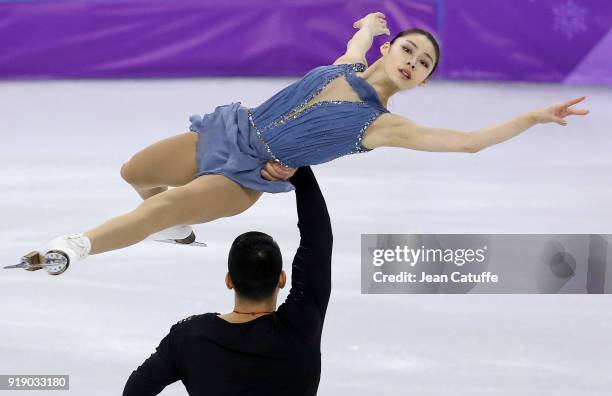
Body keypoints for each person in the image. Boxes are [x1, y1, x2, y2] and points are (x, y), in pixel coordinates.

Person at [18, 12, 589, 274]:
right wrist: (369, 25)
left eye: (424, 63)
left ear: (425, 80)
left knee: (161, 203)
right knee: (134, 173)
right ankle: (178, 229)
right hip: (227, 129)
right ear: (391, 53)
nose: (413, 61)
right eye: (409, 50)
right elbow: (357, 39)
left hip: (246, 175)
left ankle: (75, 246)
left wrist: (532, 117)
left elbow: (467, 143)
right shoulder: (347, 65)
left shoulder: (383, 125)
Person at [122, 166, 333, 395]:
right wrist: (298, 168)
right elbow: (318, 241)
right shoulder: (299, 326)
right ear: (281, 279)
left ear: (229, 280)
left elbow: (135, 391)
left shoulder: (191, 336)